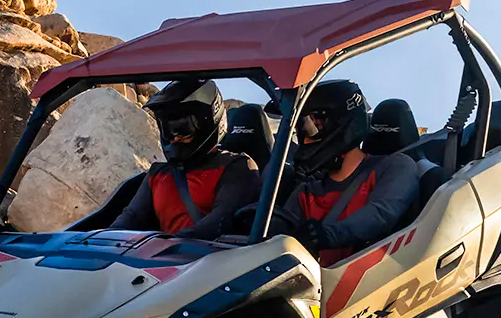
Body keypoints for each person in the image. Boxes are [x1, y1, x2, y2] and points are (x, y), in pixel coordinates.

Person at [282, 78, 426, 257]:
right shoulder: (306, 191)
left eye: (315, 127)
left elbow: (380, 214)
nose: (305, 139)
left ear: (341, 124)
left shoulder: (395, 167)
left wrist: (326, 236)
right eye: (302, 130)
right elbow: (279, 234)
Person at [110, 81, 259, 234]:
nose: (174, 138)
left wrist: (164, 244)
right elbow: (129, 219)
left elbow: (216, 224)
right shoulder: (158, 173)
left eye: (182, 128)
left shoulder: (237, 167)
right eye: (167, 129)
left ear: (208, 122)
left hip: (210, 256)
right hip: (155, 256)